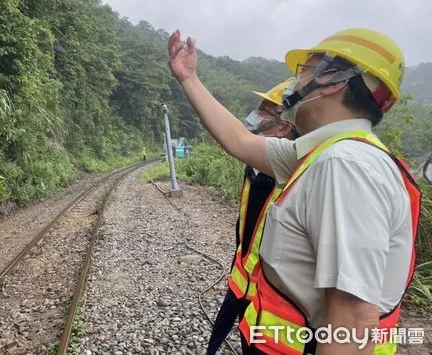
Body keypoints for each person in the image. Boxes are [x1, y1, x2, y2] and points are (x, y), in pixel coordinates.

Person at [167, 28, 422, 355]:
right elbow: (241, 141)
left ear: (333, 80)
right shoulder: (321, 155)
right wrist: (189, 78)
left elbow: (354, 319)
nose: (294, 84)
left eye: (303, 72)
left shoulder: (344, 165)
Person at [207, 78, 298, 355]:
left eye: (265, 109)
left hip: (267, 300)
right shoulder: (253, 169)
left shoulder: (292, 180)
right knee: (216, 339)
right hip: (240, 282)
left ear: (283, 127)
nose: (256, 114)